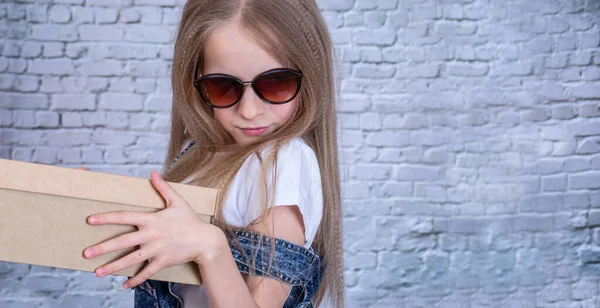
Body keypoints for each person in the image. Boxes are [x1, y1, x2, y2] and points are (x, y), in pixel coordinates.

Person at [78, 0, 343, 307]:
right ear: (196, 83)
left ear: (310, 77)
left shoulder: (283, 161)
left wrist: (212, 247)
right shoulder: (200, 153)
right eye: (223, 87)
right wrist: (94, 203)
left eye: (276, 84)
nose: (249, 110)